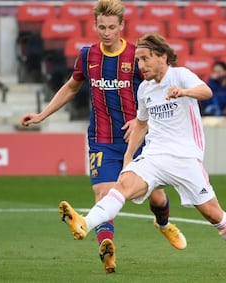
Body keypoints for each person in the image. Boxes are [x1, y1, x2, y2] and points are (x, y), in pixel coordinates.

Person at [21, 0, 186, 274]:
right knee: (104, 193)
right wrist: (42, 115)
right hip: (102, 139)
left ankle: (164, 223)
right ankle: (106, 245)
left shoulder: (136, 56)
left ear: (122, 26)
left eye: (112, 27)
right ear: (95, 26)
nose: (106, 32)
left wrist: (139, 119)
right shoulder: (87, 56)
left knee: (156, 197)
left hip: (139, 138)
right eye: (101, 27)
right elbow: (72, 87)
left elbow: (158, 88)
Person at [59, 33, 226, 255]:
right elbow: (140, 123)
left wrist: (184, 92)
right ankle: (85, 223)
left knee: (214, 215)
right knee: (123, 186)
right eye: (138, 60)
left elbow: (206, 91)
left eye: (145, 59)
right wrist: (129, 157)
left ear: (162, 57)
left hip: (185, 158)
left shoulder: (180, 75)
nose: (141, 65)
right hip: (154, 157)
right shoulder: (145, 88)